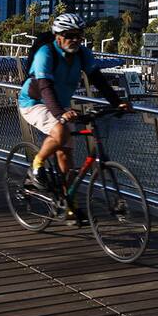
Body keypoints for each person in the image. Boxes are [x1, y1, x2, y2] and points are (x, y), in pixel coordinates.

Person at [19, 13, 130, 218]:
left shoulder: (83, 54)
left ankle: (67, 203)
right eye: (70, 35)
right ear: (58, 36)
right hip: (33, 103)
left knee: (66, 154)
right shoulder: (46, 53)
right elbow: (45, 87)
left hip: (58, 106)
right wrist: (60, 114)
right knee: (60, 132)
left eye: (79, 35)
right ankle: (36, 165)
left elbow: (97, 79)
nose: (76, 40)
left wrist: (117, 102)